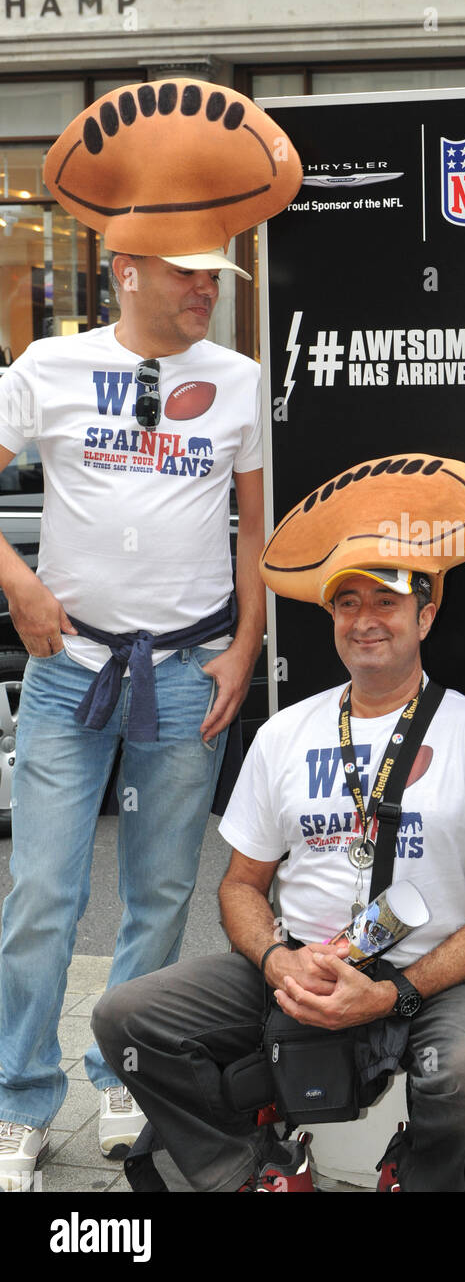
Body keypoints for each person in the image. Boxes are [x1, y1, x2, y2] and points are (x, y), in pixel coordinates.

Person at [92, 557, 465, 1192]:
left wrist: (394, 992)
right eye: (347, 604)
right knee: (126, 1016)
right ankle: (257, 1172)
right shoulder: (284, 734)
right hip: (300, 965)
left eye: (385, 603)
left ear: (426, 615)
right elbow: (240, 886)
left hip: (431, 978)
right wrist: (278, 961)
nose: (365, 621)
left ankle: (416, 1174)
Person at [0, 249, 266, 1189]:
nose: (205, 294)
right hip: (70, 671)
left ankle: (123, 1073)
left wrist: (244, 646)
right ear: (126, 271)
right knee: (41, 894)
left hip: (191, 671)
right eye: (187, 277)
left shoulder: (237, 380)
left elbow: (255, 530)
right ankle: (16, 1101)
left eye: (215, 283)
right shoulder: (47, 367)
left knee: (159, 896)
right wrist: (18, 581)